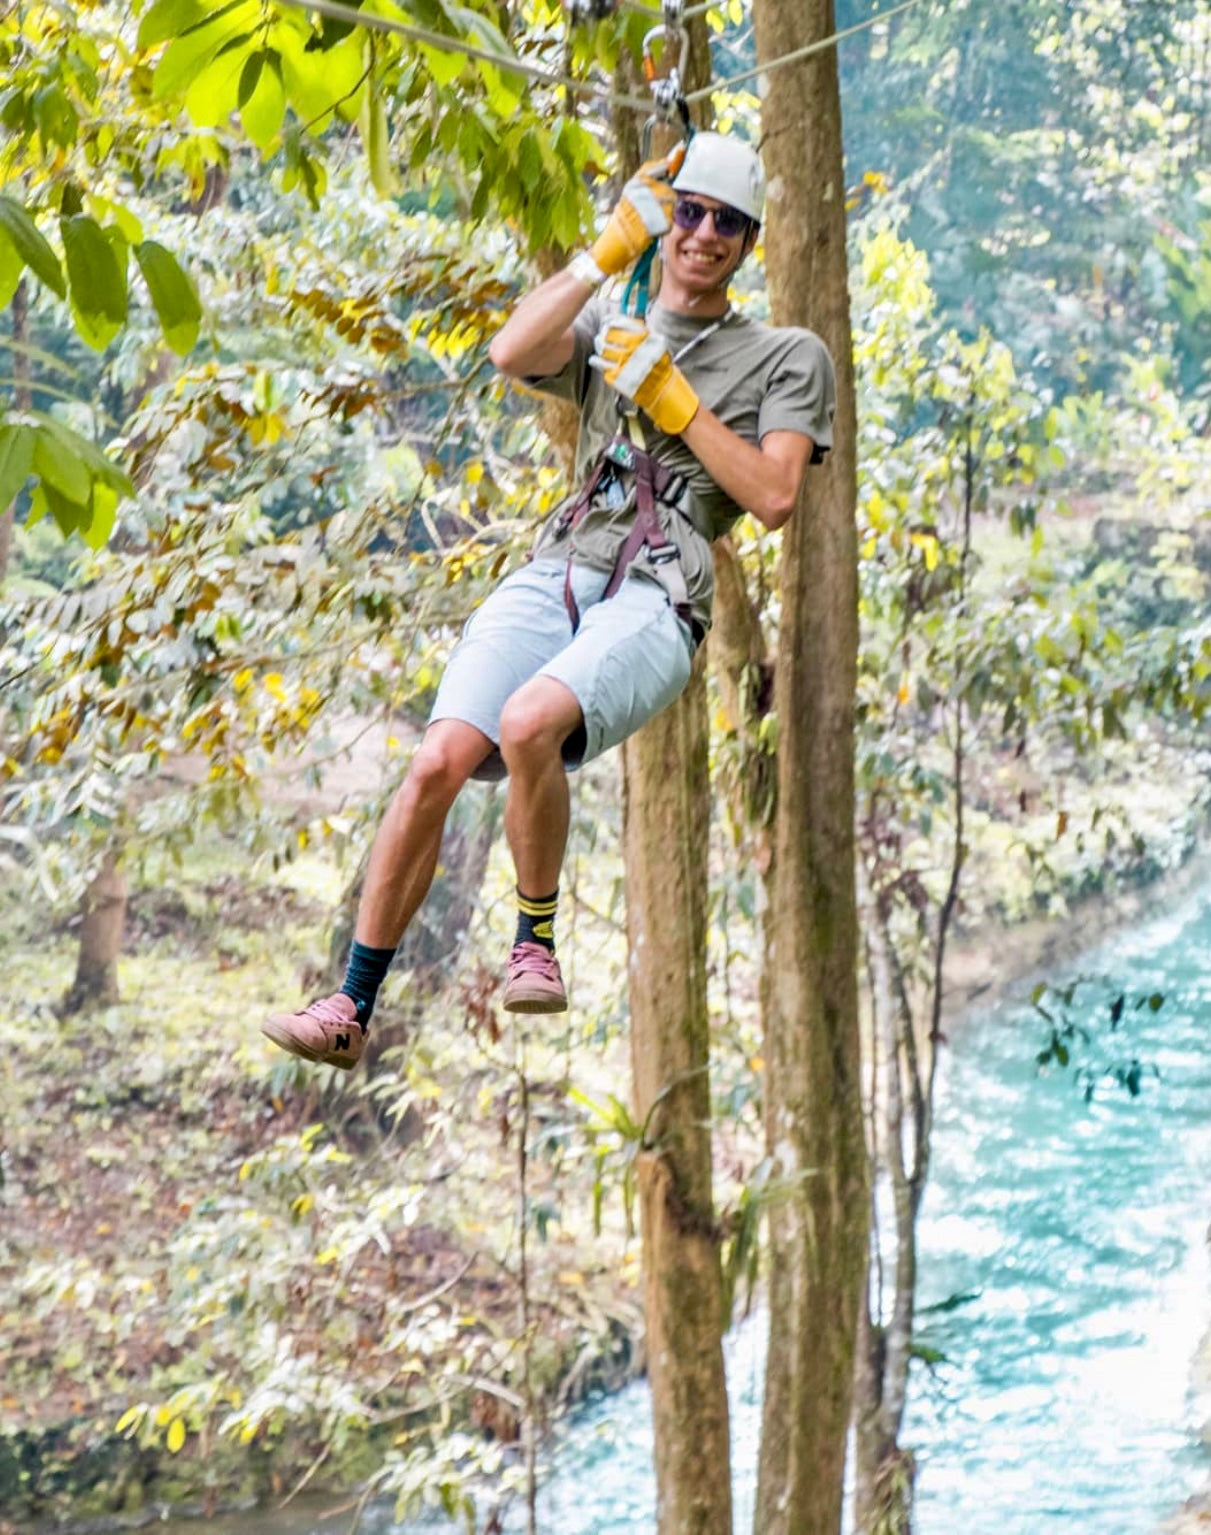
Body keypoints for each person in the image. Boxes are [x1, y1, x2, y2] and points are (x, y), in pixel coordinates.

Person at [262, 131, 836, 1071]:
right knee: (437, 758)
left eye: (725, 223)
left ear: (749, 241)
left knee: (529, 721)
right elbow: (512, 348)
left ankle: (535, 943)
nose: (702, 236)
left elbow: (774, 499)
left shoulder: (784, 355)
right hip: (565, 555)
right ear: (666, 222)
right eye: (686, 214)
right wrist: (604, 254)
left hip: (660, 586)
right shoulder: (620, 312)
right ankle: (349, 1003)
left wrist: (676, 401)